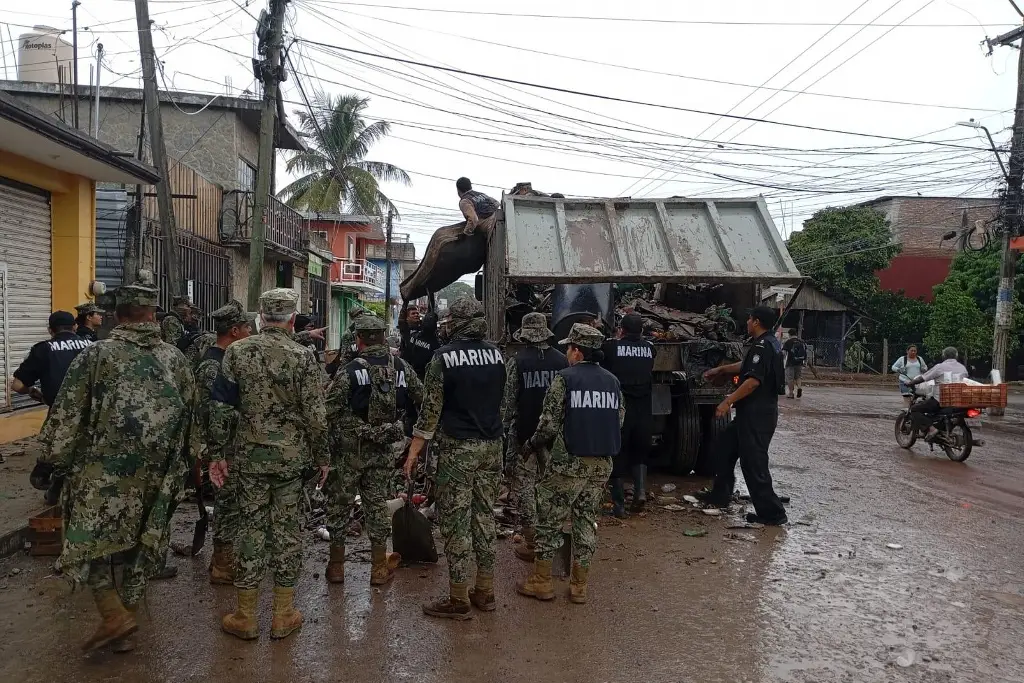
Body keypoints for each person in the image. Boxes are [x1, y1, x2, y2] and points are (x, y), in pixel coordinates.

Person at [31, 277, 194, 653]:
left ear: (117, 316)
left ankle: (112, 612)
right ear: (153, 314)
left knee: (88, 540)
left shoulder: (95, 356)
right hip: (159, 474)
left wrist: (49, 461)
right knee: (142, 542)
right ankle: (126, 613)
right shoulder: (176, 359)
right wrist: (187, 466)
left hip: (102, 473)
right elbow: (191, 416)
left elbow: (67, 415)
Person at [208, 288, 330, 641]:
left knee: (251, 529)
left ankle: (246, 615)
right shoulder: (302, 356)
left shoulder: (237, 352)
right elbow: (316, 415)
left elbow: (220, 407)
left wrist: (217, 453)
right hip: (292, 462)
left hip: (249, 459)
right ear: (292, 319)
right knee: (287, 532)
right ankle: (283, 613)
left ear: (260, 318)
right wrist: (323, 457)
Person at [402, 297, 506, 620]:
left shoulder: (442, 358)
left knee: (457, 521)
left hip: (458, 450)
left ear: (457, 322)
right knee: (484, 516)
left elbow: (430, 414)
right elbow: (501, 405)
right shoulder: (497, 355)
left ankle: (459, 597)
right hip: (492, 447)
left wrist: (413, 453)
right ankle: (485, 591)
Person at [517, 323, 622, 605]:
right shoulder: (612, 381)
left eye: (569, 348)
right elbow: (619, 420)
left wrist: (531, 444)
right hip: (601, 464)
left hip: (569, 463)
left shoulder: (565, 379)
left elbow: (549, 425)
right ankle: (579, 586)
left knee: (549, 520)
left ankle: (541, 581)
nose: (566, 353)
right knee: (586, 520)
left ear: (577, 351)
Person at [324, 313, 423, 586]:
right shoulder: (401, 367)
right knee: (377, 506)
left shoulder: (350, 369)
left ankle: (336, 568)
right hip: (382, 452)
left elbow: (329, 410)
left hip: (349, 451)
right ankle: (379, 569)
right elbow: (423, 397)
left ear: (359, 339)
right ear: (382, 336)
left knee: (340, 506)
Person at [698, 306, 788, 526]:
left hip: (758, 415)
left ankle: (772, 514)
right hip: (752, 413)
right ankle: (720, 495)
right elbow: (748, 367)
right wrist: (722, 370)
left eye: (749, 319)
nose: (747, 322)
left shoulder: (762, 345)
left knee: (754, 463)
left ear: (756, 322)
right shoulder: (767, 343)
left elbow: (752, 381)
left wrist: (728, 401)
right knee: (724, 447)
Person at [193, 300, 253, 585]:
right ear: (234, 331)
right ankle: (222, 565)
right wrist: (213, 451)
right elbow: (210, 412)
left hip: (230, 443)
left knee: (234, 504)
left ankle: (227, 560)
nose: (251, 332)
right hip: (222, 445)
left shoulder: (229, 360)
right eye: (246, 328)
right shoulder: (213, 365)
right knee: (228, 504)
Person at [502, 312, 568, 562]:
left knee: (526, 488)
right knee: (552, 487)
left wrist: (504, 433)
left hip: (525, 436)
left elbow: (508, 404)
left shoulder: (517, 362)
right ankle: (553, 537)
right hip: (555, 438)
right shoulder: (562, 361)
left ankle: (532, 542)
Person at [601, 313, 655, 516]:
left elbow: (601, 354)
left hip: (620, 408)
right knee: (640, 449)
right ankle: (640, 492)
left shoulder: (611, 347)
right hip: (644, 408)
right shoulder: (650, 349)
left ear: (621, 330)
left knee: (618, 451)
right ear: (641, 331)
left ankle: (619, 505)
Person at [12, 311, 93, 409]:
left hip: (60, 414)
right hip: (92, 413)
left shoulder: (43, 349)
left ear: (50, 330)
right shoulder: (92, 345)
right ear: (75, 326)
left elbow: (17, 385)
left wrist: (34, 392)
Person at [907, 346, 968, 439]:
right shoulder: (962, 368)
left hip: (941, 400)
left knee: (915, 409)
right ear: (956, 356)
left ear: (944, 356)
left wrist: (910, 383)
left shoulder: (940, 367)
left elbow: (923, 378)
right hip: (958, 401)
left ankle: (931, 429)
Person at [399, 304, 440, 379]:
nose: (416, 315)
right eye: (413, 313)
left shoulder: (424, 330)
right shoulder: (405, 330)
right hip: (408, 368)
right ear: (407, 318)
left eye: (417, 313)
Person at [782, 330, 808, 399]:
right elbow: (805, 352)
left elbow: (784, 353)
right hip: (799, 362)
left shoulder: (788, 342)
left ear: (789, 334)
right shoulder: (801, 342)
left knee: (790, 378)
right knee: (798, 377)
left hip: (790, 363)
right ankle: (799, 387)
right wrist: (805, 362)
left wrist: (782, 361)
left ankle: (791, 393)